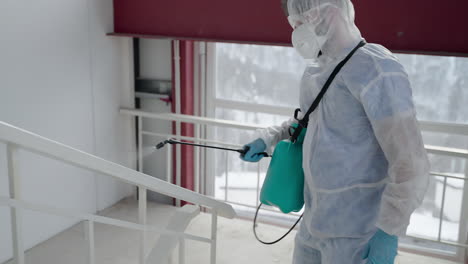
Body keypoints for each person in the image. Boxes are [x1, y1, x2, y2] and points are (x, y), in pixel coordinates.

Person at [240, 0, 430, 263]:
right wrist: (268, 137)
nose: (297, 31)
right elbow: (309, 124)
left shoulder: (377, 70)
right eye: (294, 25)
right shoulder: (317, 70)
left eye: (301, 22)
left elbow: (409, 160)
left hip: (358, 233)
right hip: (314, 221)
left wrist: (389, 231)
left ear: (330, 11)